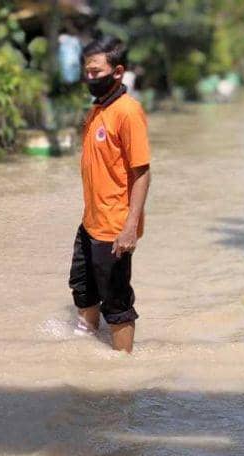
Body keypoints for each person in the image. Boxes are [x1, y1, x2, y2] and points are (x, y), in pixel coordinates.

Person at [68, 37, 152, 354]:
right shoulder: (96, 111)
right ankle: (86, 354)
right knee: (83, 289)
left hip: (114, 227)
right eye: (86, 72)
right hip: (90, 223)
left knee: (116, 303)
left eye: (96, 72)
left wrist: (130, 226)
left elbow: (141, 172)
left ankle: (122, 369)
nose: (90, 78)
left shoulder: (128, 112)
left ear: (117, 72)